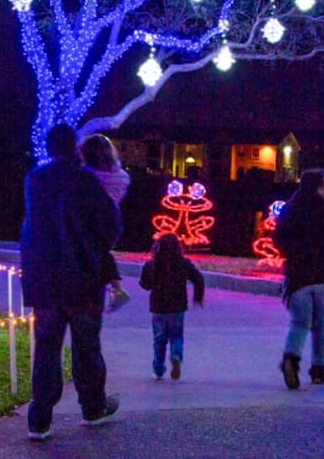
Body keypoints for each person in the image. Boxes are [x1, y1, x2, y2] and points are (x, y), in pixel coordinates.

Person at [20, 124, 122, 441]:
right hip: (83, 280)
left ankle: (40, 419)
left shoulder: (35, 181)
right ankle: (92, 407)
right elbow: (111, 228)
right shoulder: (86, 181)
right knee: (87, 347)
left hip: (45, 281)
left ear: (49, 148)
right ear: (74, 148)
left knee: (47, 350)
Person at [272, 168, 324, 389]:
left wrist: (291, 254)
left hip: (298, 275)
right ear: (319, 187)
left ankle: (291, 357)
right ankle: (318, 369)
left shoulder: (291, 210)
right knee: (322, 326)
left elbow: (277, 238)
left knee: (299, 323)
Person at [139, 233, 205, 380]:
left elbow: (144, 284)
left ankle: (158, 369)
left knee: (159, 339)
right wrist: (198, 296)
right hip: (177, 307)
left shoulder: (152, 265)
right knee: (176, 336)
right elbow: (198, 278)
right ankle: (176, 356)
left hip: (158, 307)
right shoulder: (183, 264)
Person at [80, 133, 131, 312]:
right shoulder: (122, 176)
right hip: (113, 220)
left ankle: (116, 290)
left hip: (93, 219)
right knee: (103, 252)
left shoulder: (87, 175)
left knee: (95, 253)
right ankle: (117, 290)